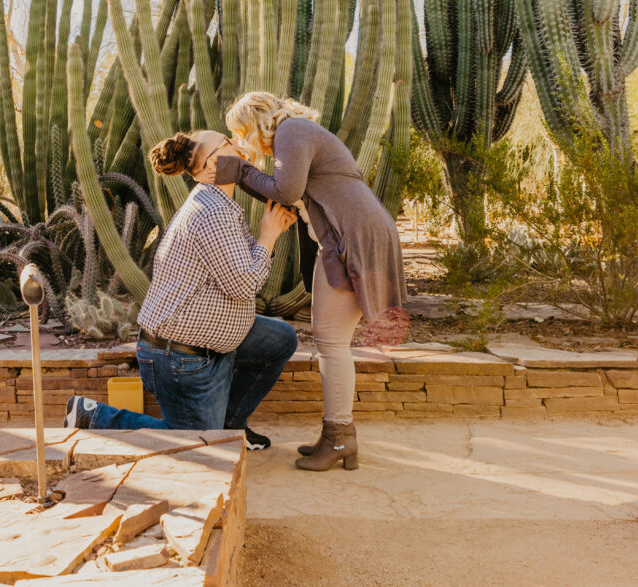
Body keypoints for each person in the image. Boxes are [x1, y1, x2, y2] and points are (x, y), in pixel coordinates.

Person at [64, 130, 299, 450]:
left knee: (281, 339)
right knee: (202, 446)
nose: (238, 143)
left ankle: (232, 427)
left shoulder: (220, 204)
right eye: (230, 142)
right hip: (180, 358)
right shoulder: (212, 212)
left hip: (211, 344)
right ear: (214, 164)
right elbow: (245, 285)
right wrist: (268, 237)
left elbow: (239, 270)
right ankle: (95, 417)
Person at [212, 91, 409, 472]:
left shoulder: (292, 131)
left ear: (255, 122)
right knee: (328, 340)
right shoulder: (297, 134)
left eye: (240, 133)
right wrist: (242, 170)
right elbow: (287, 195)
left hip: (355, 238)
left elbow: (286, 192)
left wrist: (236, 169)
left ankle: (340, 440)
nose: (241, 142)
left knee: (332, 342)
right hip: (342, 240)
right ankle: (336, 435)